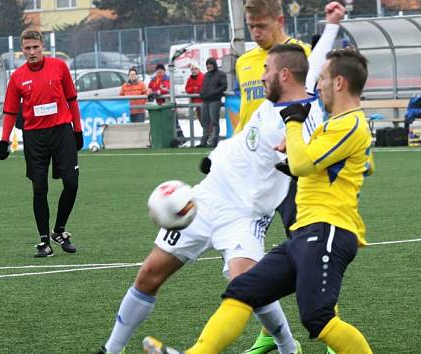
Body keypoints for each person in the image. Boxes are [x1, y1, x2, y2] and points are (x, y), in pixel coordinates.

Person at [98, 6, 344, 354]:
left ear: (285, 75)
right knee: (150, 273)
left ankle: (288, 348)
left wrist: (292, 155)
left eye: (267, 71)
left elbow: (307, 161)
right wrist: (331, 25)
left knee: (246, 284)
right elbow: (314, 60)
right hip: (206, 196)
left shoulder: (302, 119)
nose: (261, 77)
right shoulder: (292, 90)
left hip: (246, 214)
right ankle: (111, 350)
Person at [144, 46, 374, 354]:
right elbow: (344, 162)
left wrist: (292, 124)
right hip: (307, 232)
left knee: (318, 318)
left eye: (322, 79)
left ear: (340, 83)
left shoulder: (350, 123)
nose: (318, 85)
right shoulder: (335, 124)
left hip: (329, 230)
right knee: (242, 291)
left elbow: (305, 163)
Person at [0, 30, 83, 257]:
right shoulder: (17, 77)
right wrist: (4, 140)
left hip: (62, 132)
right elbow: (9, 111)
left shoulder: (59, 67)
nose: (32, 52)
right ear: (22, 50)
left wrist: (78, 130)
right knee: (39, 188)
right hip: (34, 137)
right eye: (27, 48)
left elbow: (72, 99)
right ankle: (45, 241)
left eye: (36, 47)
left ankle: (59, 230)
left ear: (42, 46)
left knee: (72, 184)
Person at [233, 0, 312, 134]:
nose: (256, 33)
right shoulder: (243, 61)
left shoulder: (303, 54)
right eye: (251, 26)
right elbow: (246, 110)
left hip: (289, 144)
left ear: (280, 21)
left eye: (261, 26)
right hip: (253, 147)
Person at [199, 57, 227, 148]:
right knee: (204, 121)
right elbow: (203, 86)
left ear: (214, 64)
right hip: (205, 100)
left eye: (210, 64)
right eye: (207, 64)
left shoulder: (221, 74)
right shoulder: (206, 75)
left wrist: (214, 93)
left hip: (215, 100)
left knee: (214, 121)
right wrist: (202, 93)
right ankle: (204, 140)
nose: (208, 66)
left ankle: (214, 140)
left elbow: (224, 86)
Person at [184, 64, 204, 145]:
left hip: (203, 103)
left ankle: (209, 137)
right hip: (196, 104)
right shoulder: (190, 79)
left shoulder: (202, 77)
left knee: (206, 122)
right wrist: (194, 89)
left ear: (199, 69)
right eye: (192, 69)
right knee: (202, 121)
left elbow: (201, 88)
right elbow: (187, 89)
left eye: (195, 69)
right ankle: (207, 137)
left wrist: (195, 89)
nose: (194, 70)